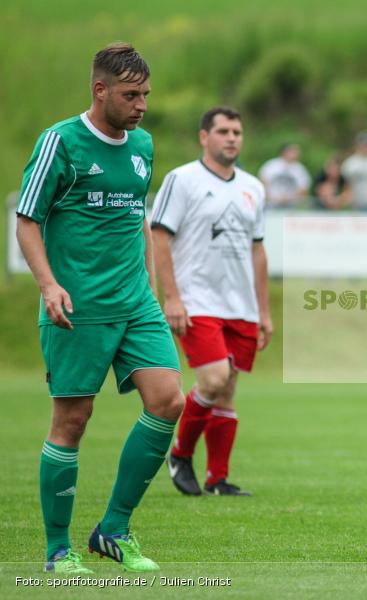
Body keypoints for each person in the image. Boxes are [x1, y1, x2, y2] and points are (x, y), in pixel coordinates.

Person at [16, 43, 183, 574]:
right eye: (131, 95)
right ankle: (58, 550)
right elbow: (26, 219)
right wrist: (48, 286)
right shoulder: (59, 142)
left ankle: (113, 529)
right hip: (77, 305)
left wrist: (154, 290)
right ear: (100, 90)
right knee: (73, 420)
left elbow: (139, 220)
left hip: (135, 302)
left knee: (168, 401)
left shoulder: (144, 145)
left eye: (146, 96)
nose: (141, 106)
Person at [151, 107, 273, 497]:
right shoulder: (182, 180)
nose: (232, 137)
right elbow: (159, 237)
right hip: (197, 300)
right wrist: (171, 297)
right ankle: (180, 453)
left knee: (229, 388)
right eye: (223, 131)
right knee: (214, 378)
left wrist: (264, 312)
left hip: (241, 306)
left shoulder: (254, 186)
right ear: (205, 137)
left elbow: (258, 251)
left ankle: (217, 479)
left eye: (237, 131)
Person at [258, 142, 311, 209]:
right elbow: (262, 183)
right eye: (293, 151)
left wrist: (289, 199)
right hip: (271, 206)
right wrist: (272, 198)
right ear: (284, 152)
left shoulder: (300, 169)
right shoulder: (271, 166)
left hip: (292, 208)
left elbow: (304, 189)